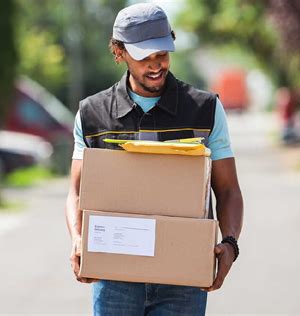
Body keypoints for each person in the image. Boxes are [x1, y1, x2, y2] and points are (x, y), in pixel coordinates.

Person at [65, 3, 244, 315]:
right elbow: (76, 193)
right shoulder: (92, 115)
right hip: (114, 278)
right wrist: (79, 240)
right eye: (143, 56)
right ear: (118, 52)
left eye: (161, 53)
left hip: (184, 279)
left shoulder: (205, 110)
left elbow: (228, 189)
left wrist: (229, 244)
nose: (155, 64)